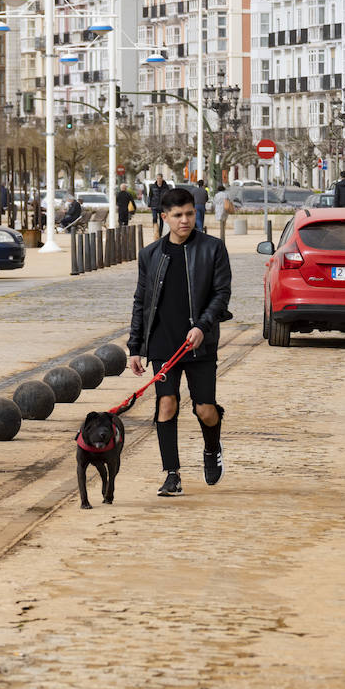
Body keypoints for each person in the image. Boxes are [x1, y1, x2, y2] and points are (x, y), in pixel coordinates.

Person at [127, 186, 232, 498]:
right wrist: (135, 347)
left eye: (189, 213)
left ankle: (212, 447)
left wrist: (203, 325)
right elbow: (141, 301)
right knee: (166, 404)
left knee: (205, 410)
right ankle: (172, 474)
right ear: (164, 217)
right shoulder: (150, 255)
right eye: (178, 215)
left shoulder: (213, 248)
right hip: (163, 343)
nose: (185, 220)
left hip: (199, 343)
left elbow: (221, 294)